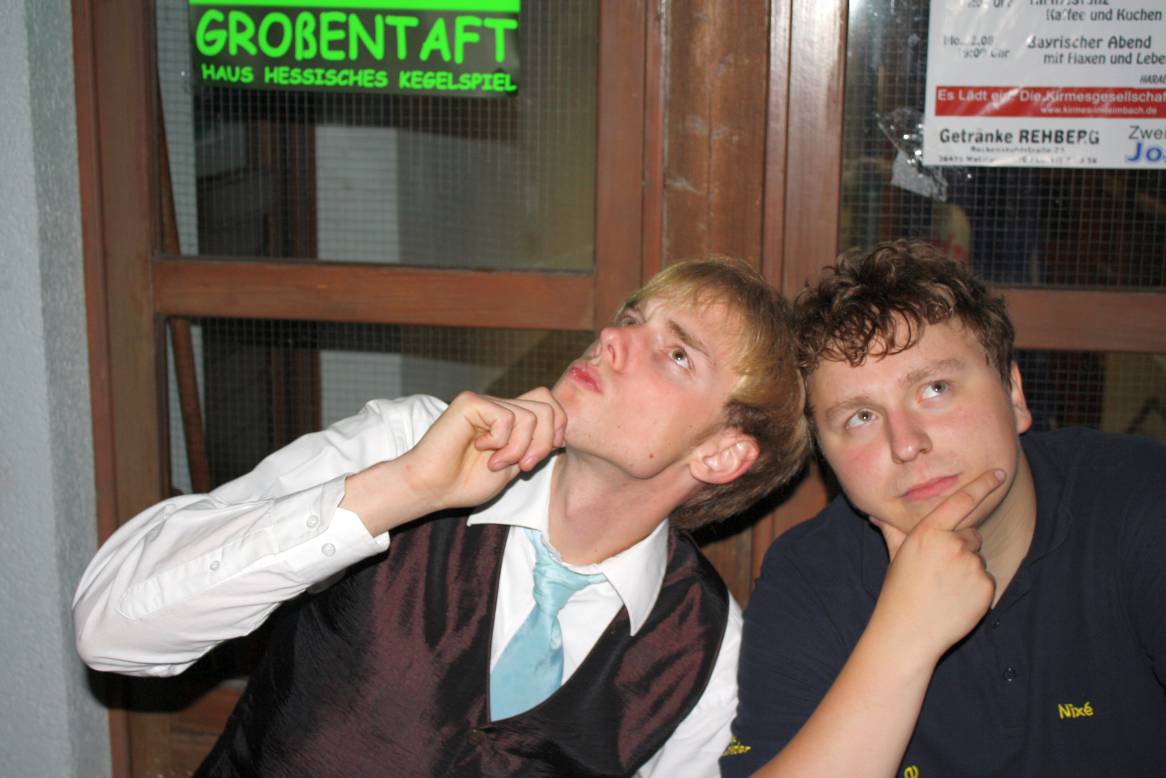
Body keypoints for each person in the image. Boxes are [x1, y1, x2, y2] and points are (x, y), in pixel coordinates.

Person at [74, 257, 810, 777]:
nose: (614, 340)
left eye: (675, 355)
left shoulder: (706, 657)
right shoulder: (409, 444)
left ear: (722, 454)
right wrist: (402, 490)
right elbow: (111, 631)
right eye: (630, 318)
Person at [723, 240, 1166, 776]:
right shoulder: (808, 576)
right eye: (861, 417)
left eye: (935, 389)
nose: (907, 443)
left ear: (1014, 394)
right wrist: (904, 636)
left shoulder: (1138, 498)